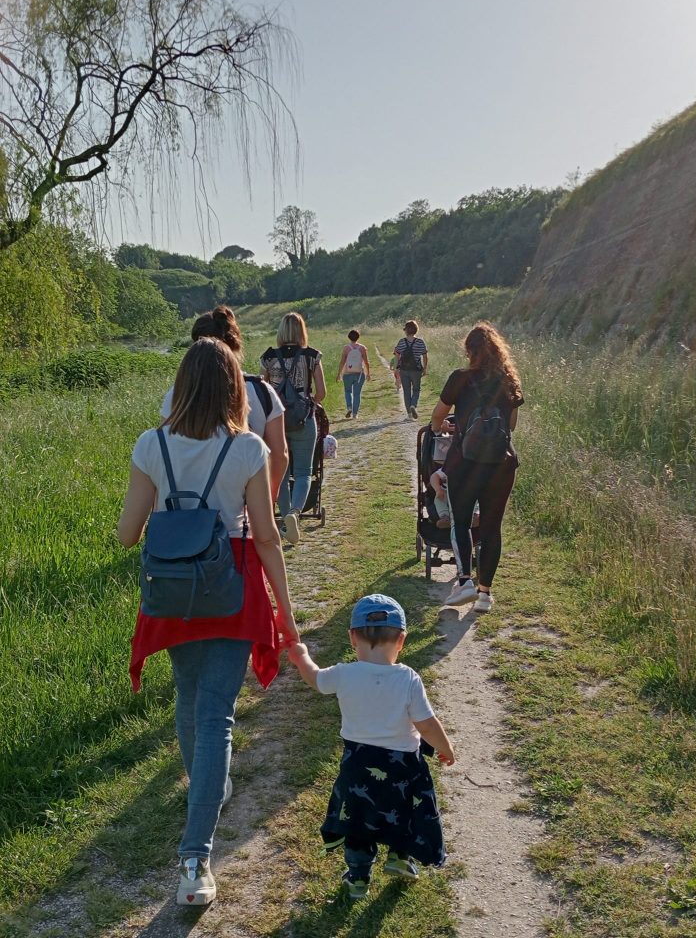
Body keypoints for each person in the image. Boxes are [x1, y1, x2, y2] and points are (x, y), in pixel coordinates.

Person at [117, 338, 300, 907]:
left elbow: (127, 533)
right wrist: (286, 615)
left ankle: (206, 795)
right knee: (216, 713)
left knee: (191, 699)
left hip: (172, 590)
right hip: (232, 586)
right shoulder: (247, 450)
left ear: (182, 384)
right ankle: (196, 857)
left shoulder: (151, 444)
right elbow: (266, 537)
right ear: (232, 387)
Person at [287, 594, 454, 900]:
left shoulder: (344, 674)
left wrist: (301, 656)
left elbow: (314, 679)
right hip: (403, 765)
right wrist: (445, 748)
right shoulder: (408, 679)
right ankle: (400, 858)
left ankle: (358, 878)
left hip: (357, 764)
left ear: (353, 637)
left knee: (358, 818)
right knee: (403, 810)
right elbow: (426, 724)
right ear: (401, 640)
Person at [430, 322, 523, 614]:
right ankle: (485, 595)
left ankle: (465, 581)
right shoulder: (509, 380)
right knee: (492, 528)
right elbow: (511, 426)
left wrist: (443, 427)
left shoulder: (460, 379)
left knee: (461, 520)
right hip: (501, 463)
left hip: (465, 462)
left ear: (470, 350)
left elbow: (437, 417)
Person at [161, 306, 288, 501]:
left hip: (187, 507)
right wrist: (268, 498)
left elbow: (167, 450)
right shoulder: (262, 391)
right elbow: (280, 454)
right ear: (235, 346)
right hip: (243, 508)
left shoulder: (177, 395)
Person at [261, 313, 326, 544]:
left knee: (281, 472)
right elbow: (321, 392)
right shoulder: (311, 356)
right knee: (303, 472)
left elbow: (263, 389)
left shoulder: (269, 357)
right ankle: (294, 514)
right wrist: (309, 404)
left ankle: (286, 520)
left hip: (275, 422)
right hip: (303, 419)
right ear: (301, 331)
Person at [393, 320, 428, 419]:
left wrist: (396, 368)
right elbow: (425, 356)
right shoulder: (420, 342)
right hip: (416, 370)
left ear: (406, 331)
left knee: (406, 391)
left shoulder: (401, 342)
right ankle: (413, 405)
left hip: (404, 370)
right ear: (416, 330)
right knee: (416, 389)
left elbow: (397, 355)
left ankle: (409, 414)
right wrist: (425, 368)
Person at [336, 329, 371, 420]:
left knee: (348, 391)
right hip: (359, 374)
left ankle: (349, 408)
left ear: (349, 337)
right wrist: (368, 373)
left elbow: (342, 362)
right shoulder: (362, 348)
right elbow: (366, 362)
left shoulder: (346, 348)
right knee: (357, 394)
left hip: (347, 374)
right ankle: (355, 414)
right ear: (358, 337)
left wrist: (339, 374)